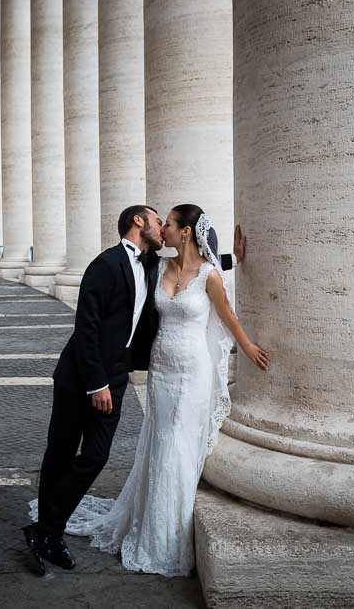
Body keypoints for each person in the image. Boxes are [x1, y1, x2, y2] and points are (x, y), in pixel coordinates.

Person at [21, 204, 252, 576]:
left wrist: (232, 258)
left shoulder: (149, 264)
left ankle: (47, 526)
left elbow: (195, 270)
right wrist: (95, 384)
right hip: (79, 377)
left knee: (95, 456)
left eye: (168, 223)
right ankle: (48, 532)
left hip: (115, 378)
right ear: (138, 222)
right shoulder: (105, 264)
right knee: (61, 452)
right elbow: (87, 328)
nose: (162, 229)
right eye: (158, 220)